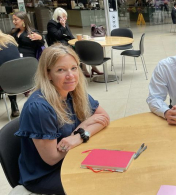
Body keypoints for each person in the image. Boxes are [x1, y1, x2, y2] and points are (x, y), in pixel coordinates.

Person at [14, 43, 110, 194]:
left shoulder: (73, 91)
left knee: (115, 166)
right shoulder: (39, 108)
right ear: (48, 74)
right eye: (61, 70)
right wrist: (81, 134)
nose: (71, 75)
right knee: (102, 183)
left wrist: (80, 133)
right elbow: (52, 158)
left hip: (72, 158)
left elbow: (103, 117)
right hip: (46, 174)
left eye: (74, 68)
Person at [47, 7, 103, 78]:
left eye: (66, 16)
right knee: (78, 50)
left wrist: (78, 40)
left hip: (68, 42)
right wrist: (63, 26)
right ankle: (84, 69)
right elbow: (57, 36)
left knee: (84, 47)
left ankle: (93, 67)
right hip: (59, 45)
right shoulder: (51, 24)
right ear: (58, 17)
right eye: (63, 16)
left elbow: (70, 35)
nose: (65, 18)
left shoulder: (64, 22)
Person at [0, 30, 20, 117]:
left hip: (4, 82)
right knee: (9, 74)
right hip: (22, 78)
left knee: (5, 75)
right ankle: (14, 104)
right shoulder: (10, 39)